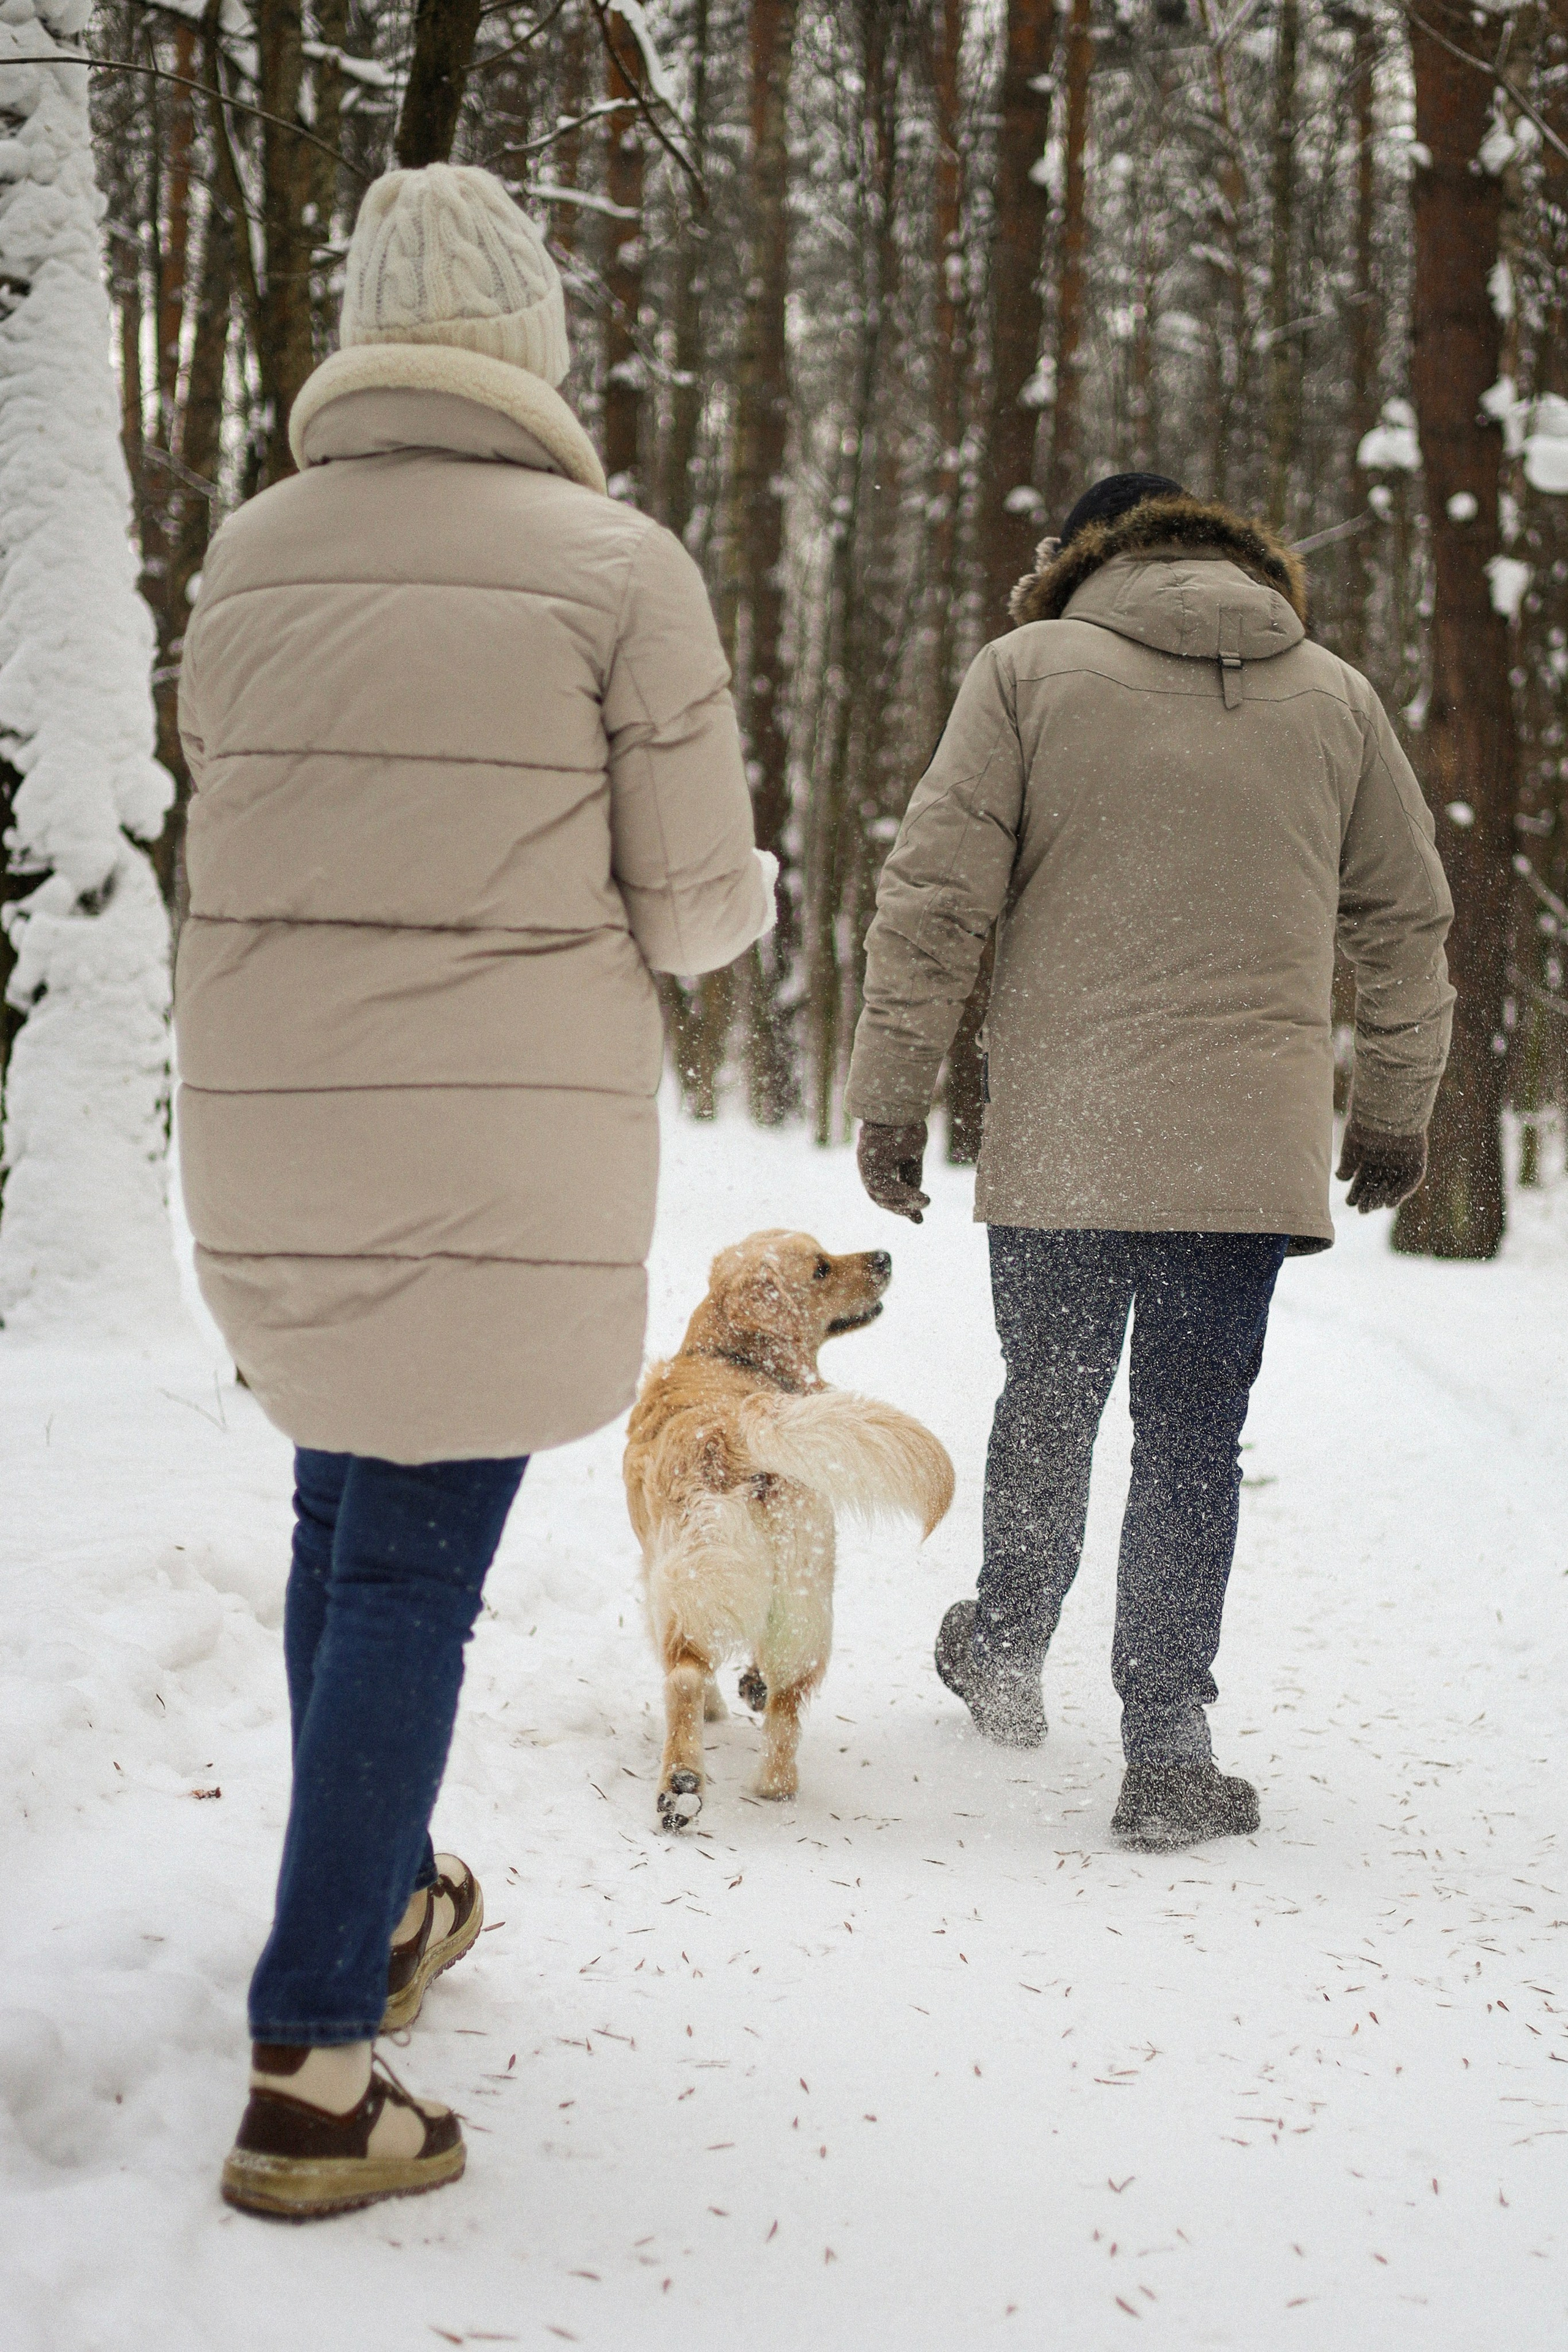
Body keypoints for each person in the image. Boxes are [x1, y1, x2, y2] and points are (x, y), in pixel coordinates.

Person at [175, 164, 775, 2217]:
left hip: (268, 1116)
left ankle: (391, 1887)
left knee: (346, 1522)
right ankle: (319, 2068)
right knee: (409, 1567)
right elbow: (699, 913)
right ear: (528, 343)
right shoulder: (615, 568)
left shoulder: (250, 554)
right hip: (497, 1133)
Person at [845, 472, 1453, 1853]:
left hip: (1069, 1128)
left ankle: (1002, 1644)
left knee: (1050, 1398)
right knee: (1192, 1439)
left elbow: (933, 894)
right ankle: (1167, 1744)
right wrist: (1395, 1105)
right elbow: (1406, 920)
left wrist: (891, 1092)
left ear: (1074, 561)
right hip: (1246, 1145)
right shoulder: (1336, 698)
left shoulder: (1024, 672)